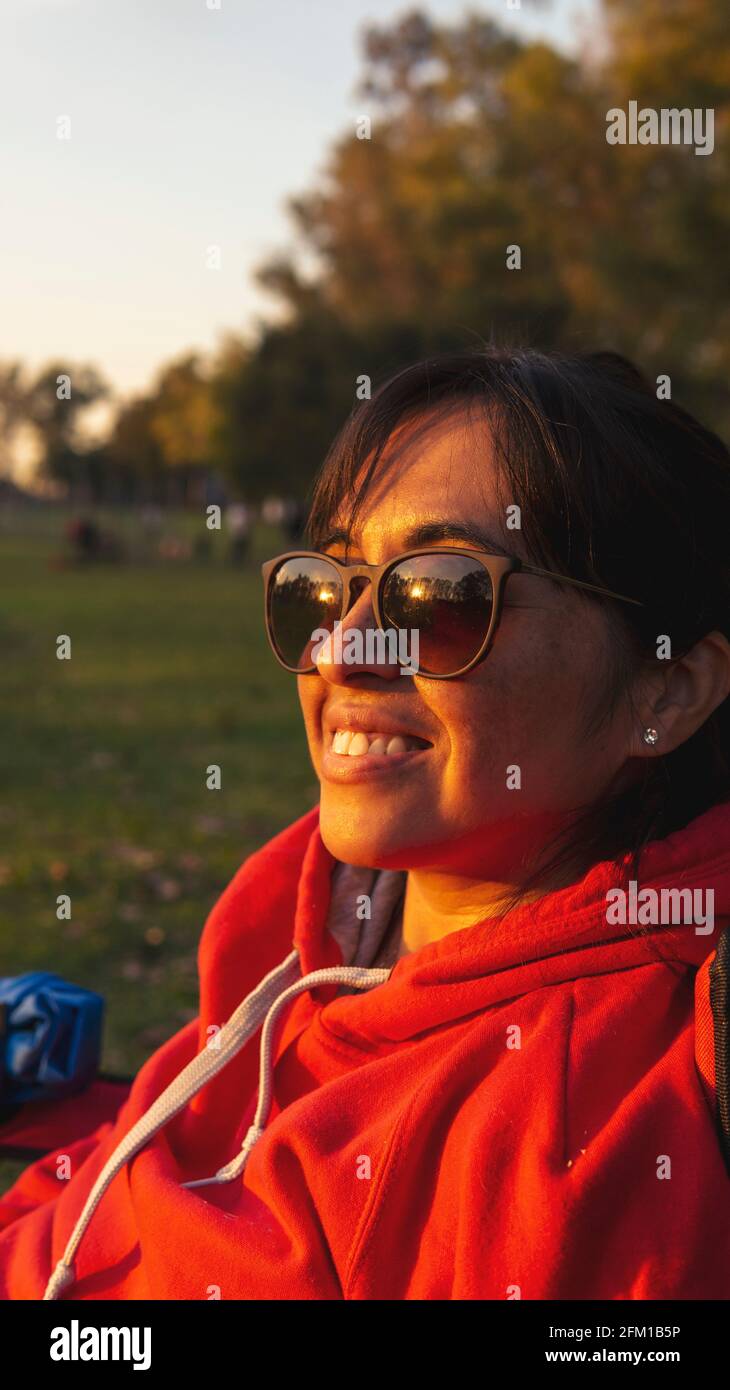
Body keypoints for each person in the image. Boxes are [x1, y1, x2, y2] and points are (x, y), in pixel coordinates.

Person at [2, 346, 730, 1300]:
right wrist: (72, 1113)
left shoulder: (587, 1124)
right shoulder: (297, 915)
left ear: (665, 688)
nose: (344, 650)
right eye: (327, 585)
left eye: (440, 596)